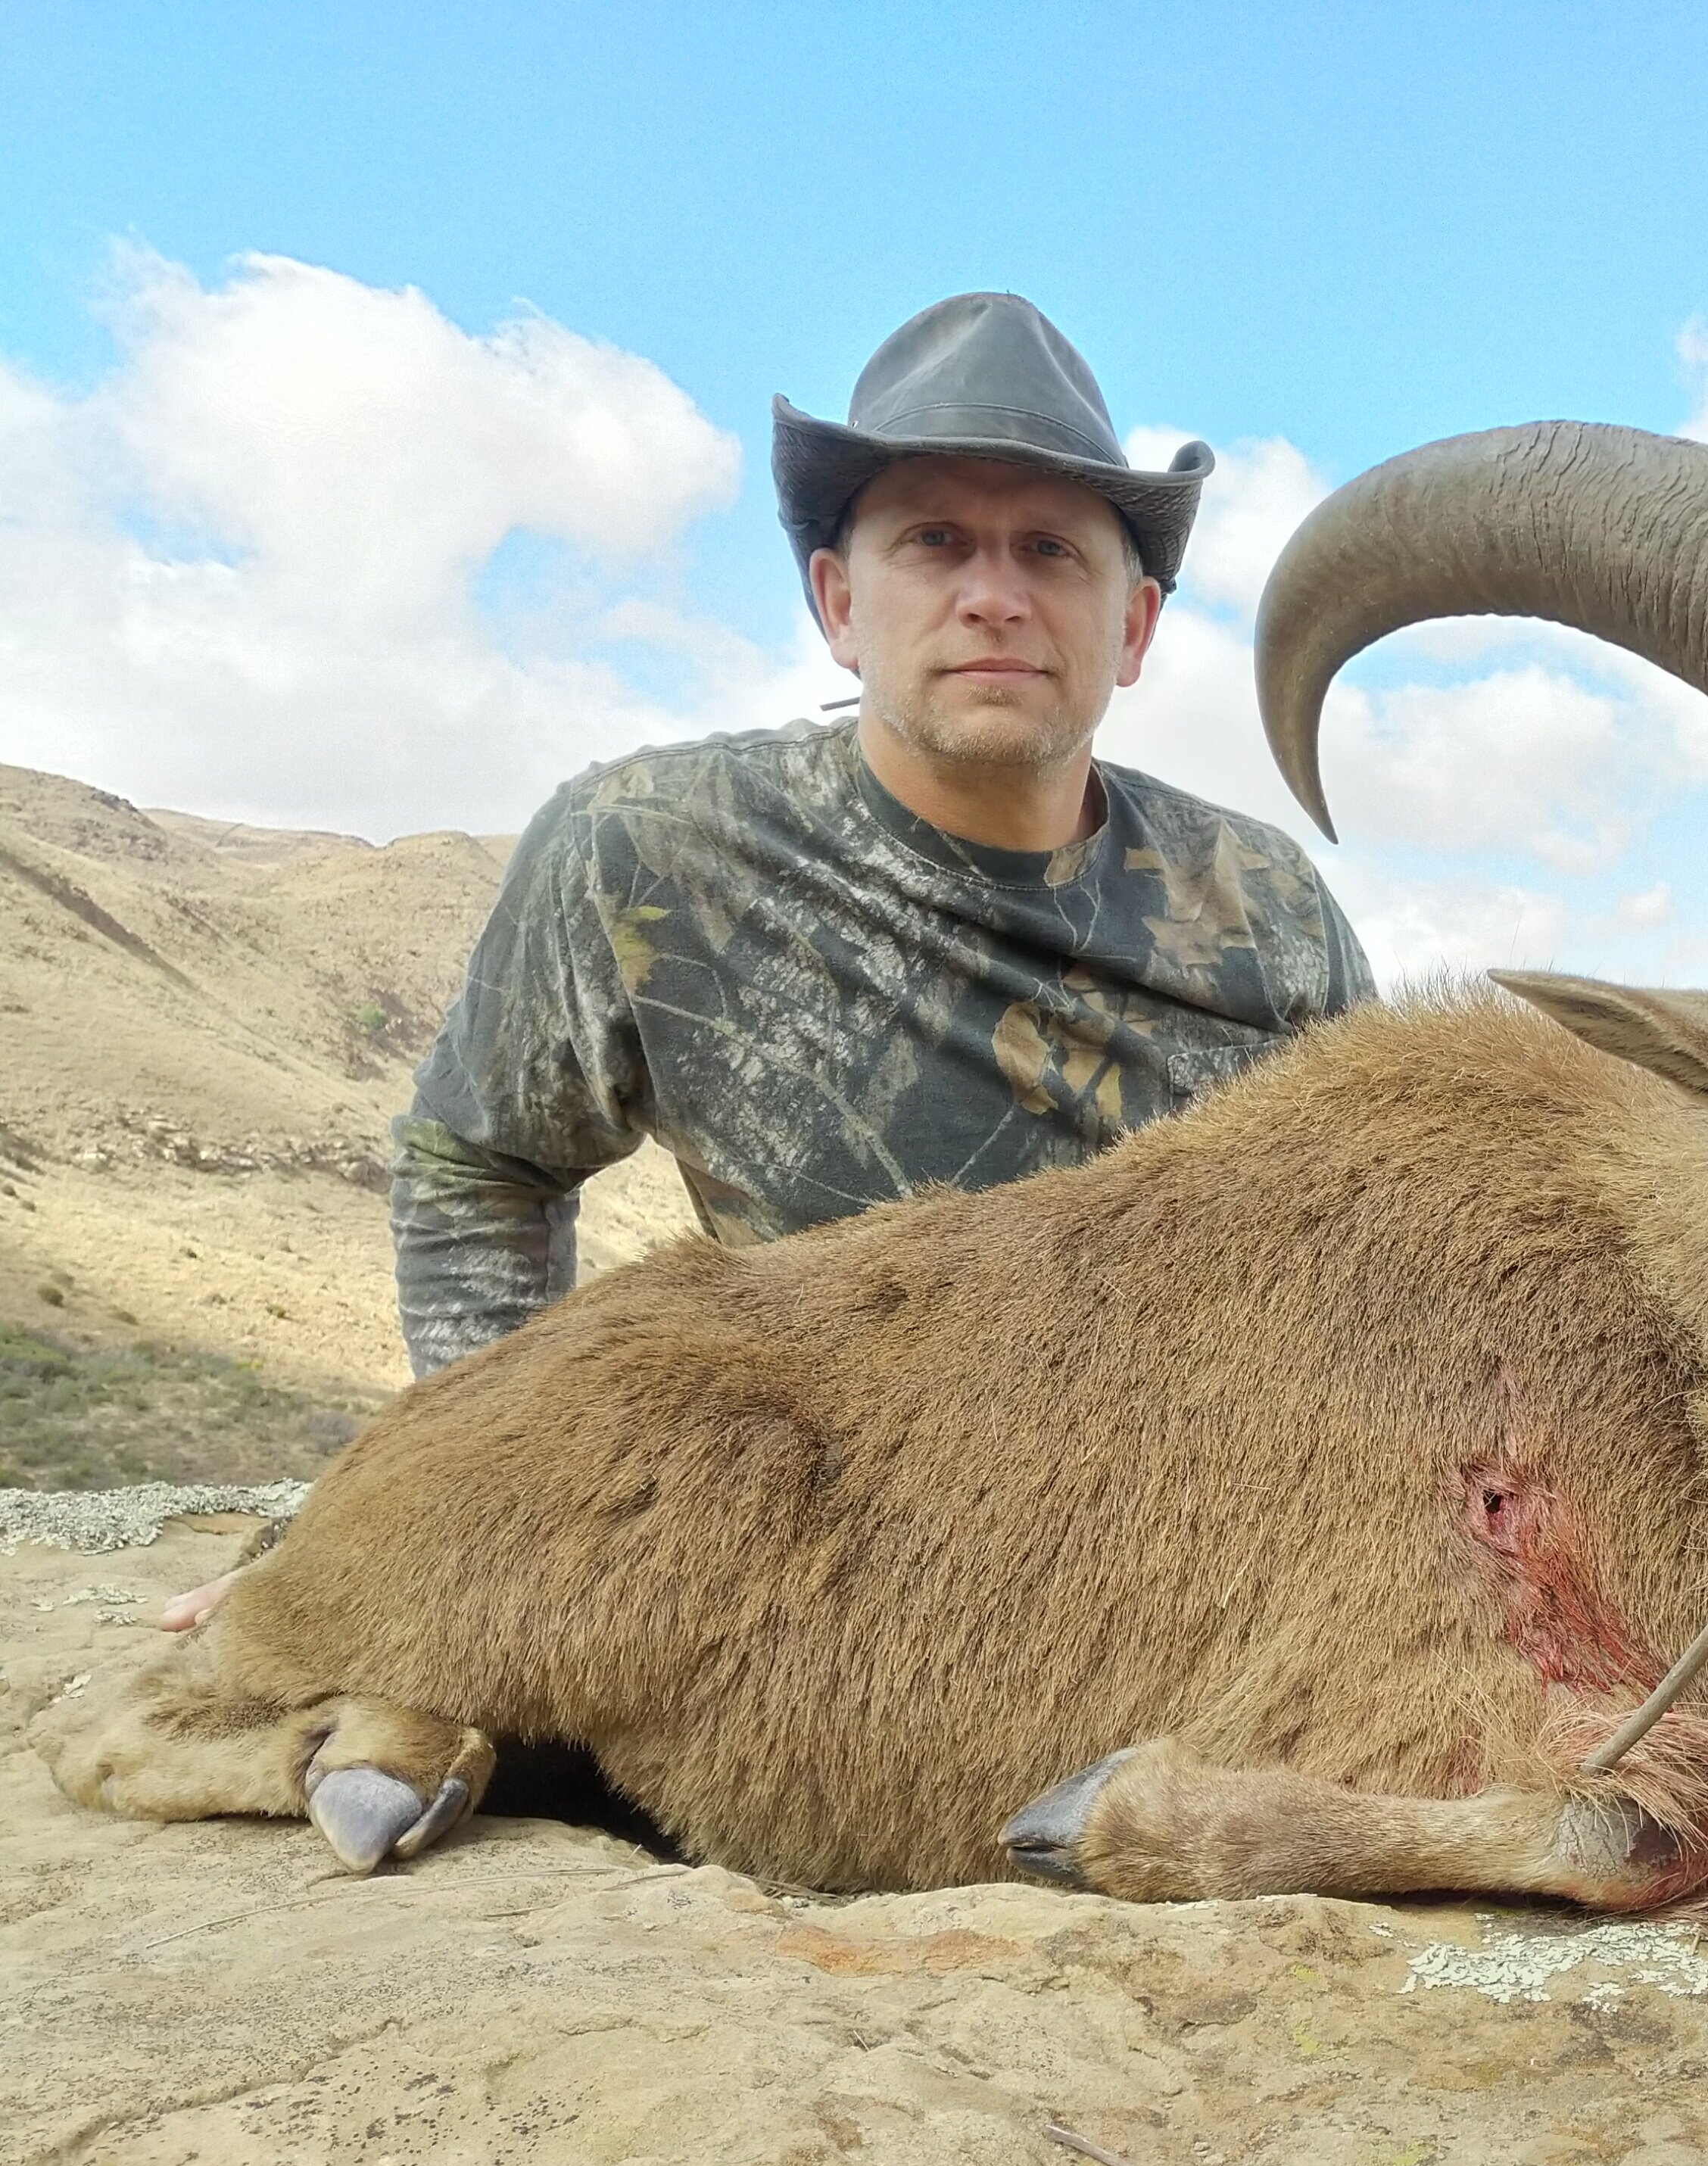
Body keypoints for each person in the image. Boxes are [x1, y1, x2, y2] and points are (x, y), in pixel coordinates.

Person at [162, 293, 1370, 1629]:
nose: (993, 596)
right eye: (935, 541)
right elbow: (479, 1164)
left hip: (1225, 1551)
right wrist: (479, 1515)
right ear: (840, 604)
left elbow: (1390, 1248)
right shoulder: (648, 849)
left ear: (1134, 627)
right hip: (828, 1560)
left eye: (1050, 551)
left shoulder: (1268, 905)